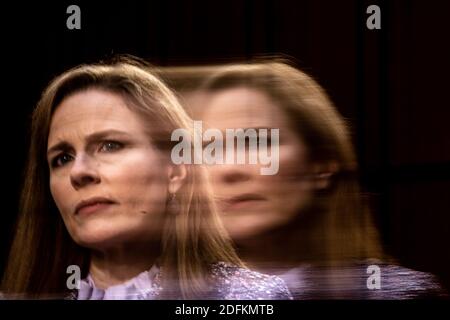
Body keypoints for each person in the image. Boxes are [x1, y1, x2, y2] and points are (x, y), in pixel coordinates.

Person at [1, 57, 292, 300]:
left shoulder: (250, 298)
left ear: (176, 170)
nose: (79, 172)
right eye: (62, 158)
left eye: (110, 145)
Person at [168, 60, 446, 299]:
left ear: (321, 165)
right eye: (210, 149)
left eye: (259, 142)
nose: (229, 169)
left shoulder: (394, 294)